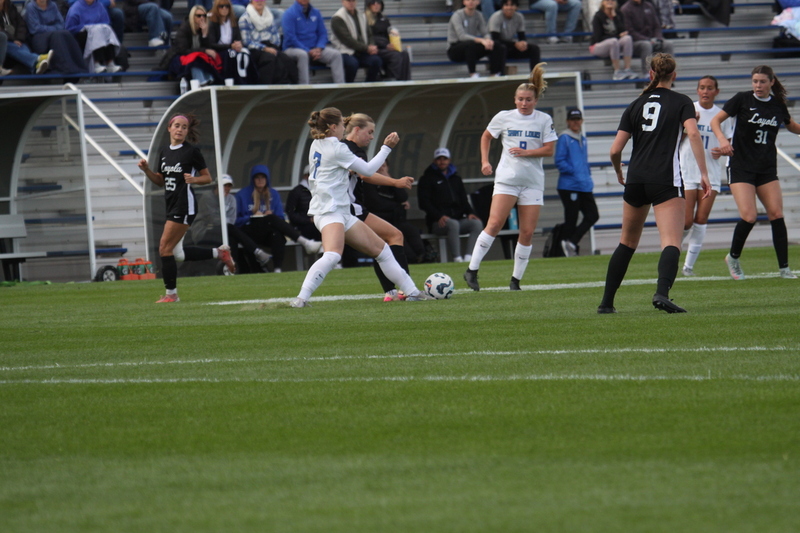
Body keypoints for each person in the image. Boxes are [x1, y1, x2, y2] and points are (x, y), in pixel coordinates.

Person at [598, 53, 710, 314]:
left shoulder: (636, 104)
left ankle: (606, 303)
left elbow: (615, 150)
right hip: (664, 179)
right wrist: (703, 173)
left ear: (651, 74)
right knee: (671, 241)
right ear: (674, 75)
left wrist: (618, 171)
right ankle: (661, 293)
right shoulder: (682, 101)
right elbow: (692, 133)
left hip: (636, 178)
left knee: (626, 242)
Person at [291, 107, 431, 307]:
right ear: (332, 127)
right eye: (340, 125)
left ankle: (412, 292)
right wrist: (387, 147)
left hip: (340, 211)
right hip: (329, 211)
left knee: (382, 250)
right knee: (332, 255)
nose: (343, 128)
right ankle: (301, 299)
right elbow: (367, 170)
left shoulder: (317, 144)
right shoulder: (337, 148)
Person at [464, 63, 558, 291]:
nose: (524, 103)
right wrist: (485, 162)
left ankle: (515, 280)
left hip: (532, 182)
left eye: (529, 99)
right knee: (494, 223)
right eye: (521, 99)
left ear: (535, 101)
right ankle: (472, 270)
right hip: (508, 179)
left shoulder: (543, 120)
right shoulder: (504, 117)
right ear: (514, 100)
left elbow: (549, 150)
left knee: (526, 231)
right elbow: (486, 137)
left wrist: (528, 152)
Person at [711, 65, 800, 280]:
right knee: (749, 216)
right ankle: (733, 257)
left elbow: (791, 126)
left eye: (762, 82)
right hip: (740, 165)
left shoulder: (777, 105)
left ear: (771, 82)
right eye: (755, 81)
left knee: (776, 214)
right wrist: (723, 140)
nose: (758, 86)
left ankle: (784, 269)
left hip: (766, 167)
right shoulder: (742, 99)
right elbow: (716, 121)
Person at [138, 113, 237, 303]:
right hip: (171, 204)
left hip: (185, 206)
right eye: (177, 125)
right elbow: (160, 181)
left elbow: (207, 178)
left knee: (164, 248)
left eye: (184, 127)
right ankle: (220, 253)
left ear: (187, 131)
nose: (180, 129)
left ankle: (171, 295)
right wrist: (147, 171)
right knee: (178, 255)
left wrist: (194, 180)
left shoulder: (191, 152)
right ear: (169, 128)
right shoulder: (165, 151)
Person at [342, 112, 417, 301]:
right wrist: (395, 182)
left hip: (346, 209)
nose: (372, 137)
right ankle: (404, 290)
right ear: (357, 130)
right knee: (393, 237)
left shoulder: (341, 147)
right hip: (351, 210)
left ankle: (391, 292)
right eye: (370, 132)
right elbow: (365, 175)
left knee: (383, 245)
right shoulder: (354, 150)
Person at [679, 75, 733, 276]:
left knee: (701, 219)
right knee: (685, 221)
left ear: (716, 92)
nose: (705, 91)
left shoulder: (722, 115)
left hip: (710, 172)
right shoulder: (689, 110)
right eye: (702, 87)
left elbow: (728, 144)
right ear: (697, 90)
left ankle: (688, 267)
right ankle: (672, 251)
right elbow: (676, 138)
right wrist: (689, 126)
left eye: (710, 88)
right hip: (686, 169)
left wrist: (723, 150)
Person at [234, 164, 322, 273]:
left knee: (277, 234)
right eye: (257, 177)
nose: (260, 180)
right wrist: (251, 216)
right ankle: (305, 242)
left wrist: (267, 216)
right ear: (253, 179)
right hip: (248, 231)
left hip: (267, 231)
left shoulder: (273, 194)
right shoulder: (242, 195)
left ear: (267, 178)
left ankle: (277, 269)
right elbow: (235, 222)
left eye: (263, 177)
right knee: (270, 218)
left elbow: (280, 218)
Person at [192, 174, 273, 271]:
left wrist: (225, 222)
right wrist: (225, 221)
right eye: (224, 185)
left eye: (229, 186)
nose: (227, 188)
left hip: (224, 231)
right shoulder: (207, 197)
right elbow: (213, 219)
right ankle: (257, 252)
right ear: (217, 186)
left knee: (231, 237)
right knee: (230, 228)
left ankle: (231, 268)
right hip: (203, 232)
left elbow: (232, 220)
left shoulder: (231, 199)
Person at [418, 147, 483, 264]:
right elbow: (424, 203)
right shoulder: (427, 179)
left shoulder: (456, 179)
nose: (442, 161)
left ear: (449, 160)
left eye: (445, 159)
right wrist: (438, 216)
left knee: (476, 224)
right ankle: (457, 259)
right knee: (453, 224)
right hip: (437, 222)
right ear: (434, 161)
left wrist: (470, 213)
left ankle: (469, 258)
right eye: (439, 159)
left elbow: (463, 199)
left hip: (458, 219)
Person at [362, 160, 427, 264]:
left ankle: (422, 255)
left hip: (397, 219)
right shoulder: (368, 183)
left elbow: (402, 197)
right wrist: (398, 205)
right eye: (378, 166)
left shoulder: (391, 182)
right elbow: (376, 203)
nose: (381, 169)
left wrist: (389, 179)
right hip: (381, 220)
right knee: (399, 238)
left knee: (412, 231)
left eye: (383, 166)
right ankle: (411, 259)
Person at [555, 108, 599, 257]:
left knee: (593, 215)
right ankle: (566, 248)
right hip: (569, 186)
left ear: (581, 121)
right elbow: (559, 161)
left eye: (578, 119)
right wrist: (574, 172)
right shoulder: (564, 138)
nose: (575, 122)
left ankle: (571, 242)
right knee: (571, 218)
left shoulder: (583, 139)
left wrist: (587, 176)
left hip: (584, 185)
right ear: (568, 121)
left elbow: (583, 162)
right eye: (573, 120)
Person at [281, 0, 346, 84]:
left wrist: (319, 47)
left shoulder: (316, 12)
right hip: (292, 48)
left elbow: (323, 33)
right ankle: (304, 88)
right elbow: (291, 37)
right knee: (303, 55)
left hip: (315, 48)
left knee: (336, 55)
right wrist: (308, 50)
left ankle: (340, 87)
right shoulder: (289, 13)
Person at [238, 0, 298, 85]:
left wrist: (273, 47)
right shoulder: (244, 18)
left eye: (262, 0)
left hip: (270, 45)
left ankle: (288, 85)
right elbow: (246, 42)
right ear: (251, 1)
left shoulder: (269, 16)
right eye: (256, 0)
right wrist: (264, 48)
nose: (259, 2)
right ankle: (264, 86)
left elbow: (275, 36)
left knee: (286, 60)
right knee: (269, 59)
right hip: (255, 49)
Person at [160, 6, 221, 86]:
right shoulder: (184, 28)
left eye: (204, 16)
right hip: (178, 58)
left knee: (202, 60)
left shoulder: (205, 28)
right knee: (195, 62)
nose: (202, 18)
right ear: (193, 17)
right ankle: (202, 82)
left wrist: (204, 35)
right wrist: (203, 50)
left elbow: (208, 47)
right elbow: (183, 50)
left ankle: (209, 80)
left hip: (196, 59)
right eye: (199, 16)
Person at [25, 0, 87, 75]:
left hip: (53, 34)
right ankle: (65, 68)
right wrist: (53, 29)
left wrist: (50, 29)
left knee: (66, 34)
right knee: (57, 35)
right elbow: (35, 29)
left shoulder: (53, 5)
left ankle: (79, 66)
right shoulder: (31, 7)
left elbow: (61, 24)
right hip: (38, 38)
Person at [446, 0, 505, 78]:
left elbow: (485, 33)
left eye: (474, 0)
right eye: (468, 0)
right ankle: (472, 74)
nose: (471, 2)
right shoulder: (457, 15)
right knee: (470, 44)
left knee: (496, 44)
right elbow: (462, 36)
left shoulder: (479, 15)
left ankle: (494, 73)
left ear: (478, 2)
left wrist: (488, 40)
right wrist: (481, 40)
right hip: (455, 49)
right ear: (464, 2)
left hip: (471, 48)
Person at [330, 0, 382, 83]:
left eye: (353, 1)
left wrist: (372, 46)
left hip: (361, 51)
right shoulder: (337, 18)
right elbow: (347, 40)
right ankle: (347, 88)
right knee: (352, 64)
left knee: (376, 61)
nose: (351, 3)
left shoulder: (361, 15)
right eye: (348, 1)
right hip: (344, 51)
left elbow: (369, 34)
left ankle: (368, 87)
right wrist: (367, 48)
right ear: (343, 2)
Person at [65, 0, 121, 75]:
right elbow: (70, 28)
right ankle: (96, 63)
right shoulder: (75, 8)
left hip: (98, 32)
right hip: (81, 35)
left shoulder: (99, 6)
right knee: (96, 31)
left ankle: (110, 62)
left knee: (106, 29)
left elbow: (106, 22)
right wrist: (88, 27)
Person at [620, 0, 673, 74]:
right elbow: (630, 31)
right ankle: (648, 75)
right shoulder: (625, 9)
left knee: (668, 44)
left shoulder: (649, 6)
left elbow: (657, 26)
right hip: (635, 42)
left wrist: (658, 38)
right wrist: (648, 40)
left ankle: (667, 75)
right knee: (646, 45)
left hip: (652, 38)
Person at [0, 0, 53, 75]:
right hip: (6, 41)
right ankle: (37, 59)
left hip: (16, 39)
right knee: (8, 44)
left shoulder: (10, 7)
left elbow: (21, 24)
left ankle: (37, 66)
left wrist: (18, 38)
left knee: (23, 47)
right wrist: (13, 39)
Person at [487, 0, 540, 72]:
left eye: (512, 5)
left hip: (510, 46)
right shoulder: (496, 17)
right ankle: (500, 75)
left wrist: (523, 43)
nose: (509, 8)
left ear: (516, 7)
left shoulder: (519, 17)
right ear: (502, 7)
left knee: (534, 48)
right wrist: (515, 44)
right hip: (494, 49)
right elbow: (495, 39)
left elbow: (522, 35)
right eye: (506, 5)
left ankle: (535, 76)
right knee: (501, 47)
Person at [364, 0, 410, 81]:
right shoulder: (364, 19)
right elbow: (369, 37)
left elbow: (388, 33)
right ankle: (393, 80)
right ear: (368, 5)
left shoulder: (384, 19)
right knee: (395, 56)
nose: (376, 5)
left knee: (404, 54)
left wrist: (394, 37)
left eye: (378, 2)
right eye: (373, 3)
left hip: (386, 47)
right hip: (374, 48)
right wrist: (385, 45)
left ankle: (405, 81)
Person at [590, 0, 636, 80]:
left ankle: (627, 69)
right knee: (613, 41)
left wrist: (615, 17)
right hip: (598, 46)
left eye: (612, 0)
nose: (610, 2)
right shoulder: (598, 16)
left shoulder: (619, 14)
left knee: (627, 39)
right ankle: (617, 71)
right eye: (607, 0)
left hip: (614, 43)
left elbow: (623, 31)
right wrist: (618, 36)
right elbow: (598, 37)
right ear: (603, 3)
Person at [286, 165, 321, 240]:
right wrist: (308, 220)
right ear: (305, 176)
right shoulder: (296, 192)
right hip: (303, 226)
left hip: (319, 223)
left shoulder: (321, 190)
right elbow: (291, 213)